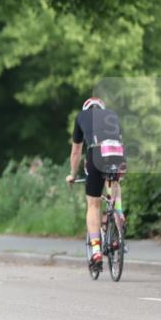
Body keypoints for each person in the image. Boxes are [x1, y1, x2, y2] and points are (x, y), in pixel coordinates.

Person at [66, 97, 125, 274]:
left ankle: (96, 251)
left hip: (97, 151)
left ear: (87, 108)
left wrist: (73, 174)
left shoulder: (81, 116)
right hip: (117, 152)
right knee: (113, 182)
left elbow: (76, 151)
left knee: (93, 204)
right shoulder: (112, 115)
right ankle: (119, 214)